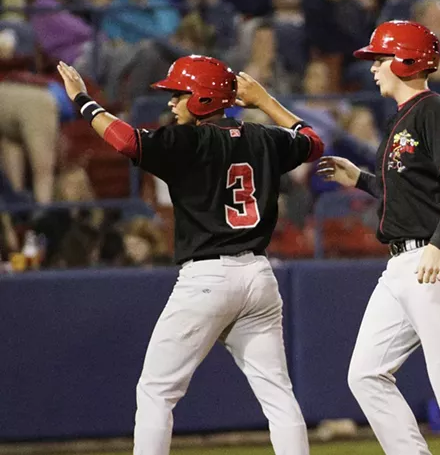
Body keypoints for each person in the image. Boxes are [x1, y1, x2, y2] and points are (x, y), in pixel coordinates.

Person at [57, 55, 324, 455]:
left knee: (156, 392)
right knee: (278, 395)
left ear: (201, 100)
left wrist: (83, 101)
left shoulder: (186, 140)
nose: (171, 102)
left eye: (179, 94)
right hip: (258, 276)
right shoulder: (263, 137)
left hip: (208, 278)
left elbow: (126, 140)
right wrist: (266, 101)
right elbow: (313, 142)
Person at [316, 20, 440, 455]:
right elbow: (410, 191)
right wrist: (358, 178)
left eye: (380, 58)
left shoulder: (435, 110)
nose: (373, 68)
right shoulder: (405, 117)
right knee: (365, 374)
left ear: (405, 60)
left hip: (433, 257)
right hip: (405, 261)